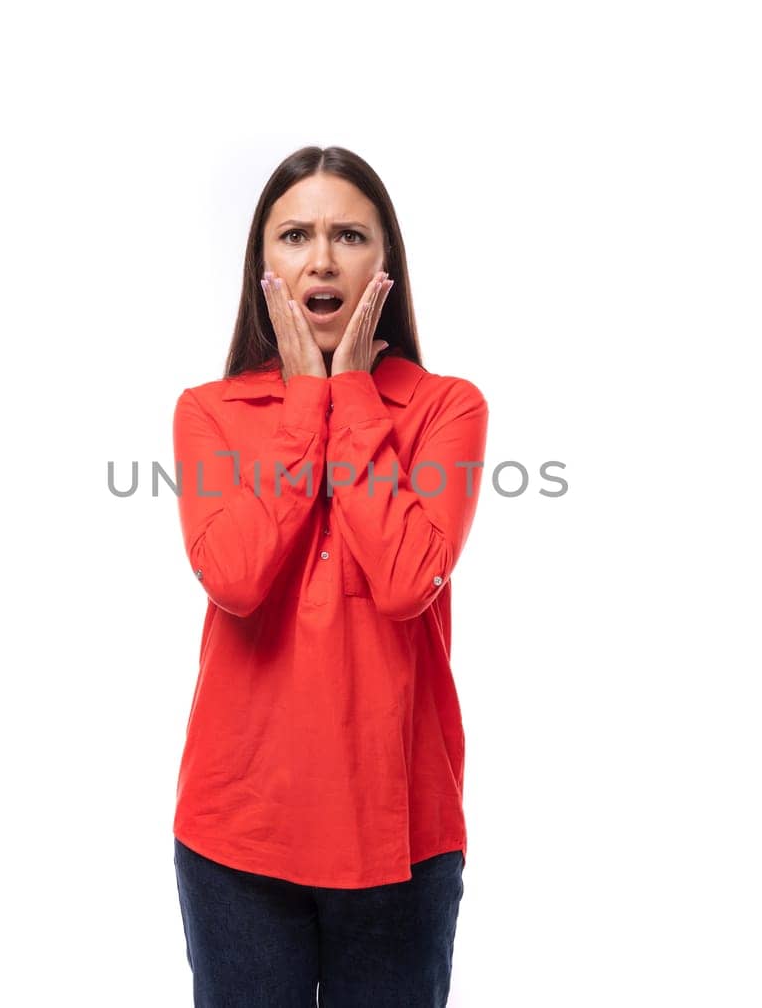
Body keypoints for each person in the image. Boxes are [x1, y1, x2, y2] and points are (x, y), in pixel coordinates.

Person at [170, 145, 489, 1007]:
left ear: (385, 264)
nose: (320, 258)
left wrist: (349, 394)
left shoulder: (446, 409)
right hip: (238, 837)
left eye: (348, 234)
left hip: (401, 841)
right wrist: (306, 403)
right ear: (261, 266)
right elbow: (233, 576)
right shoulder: (210, 413)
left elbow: (405, 579)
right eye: (294, 235)